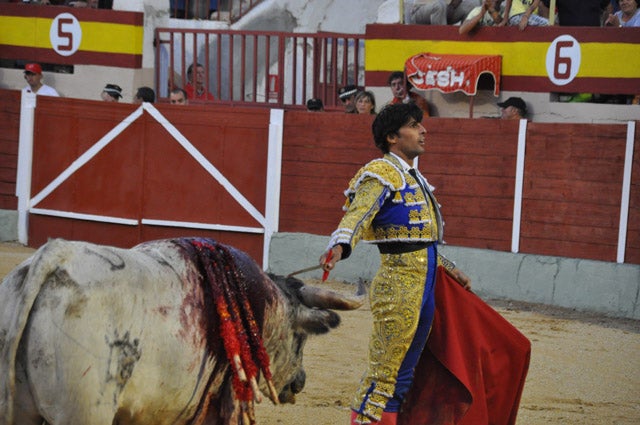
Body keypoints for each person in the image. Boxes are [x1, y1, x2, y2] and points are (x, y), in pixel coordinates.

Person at [319, 102, 471, 425]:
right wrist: (339, 246)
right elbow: (358, 215)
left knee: (404, 374)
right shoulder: (381, 172)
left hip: (424, 285)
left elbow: (421, 240)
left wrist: (449, 267)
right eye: (414, 126)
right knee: (383, 374)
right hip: (398, 286)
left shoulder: (414, 177)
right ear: (392, 137)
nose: (423, 131)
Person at [409, 0, 481, 25]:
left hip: (446, 10)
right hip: (420, 12)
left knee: (472, 5)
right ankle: (440, 39)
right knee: (439, 5)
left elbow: (455, 3)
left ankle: (464, 40)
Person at [541, 0, 610, 26]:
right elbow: (544, 5)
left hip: (593, 39)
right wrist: (550, 25)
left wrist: (605, 29)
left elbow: (608, 6)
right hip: (566, 37)